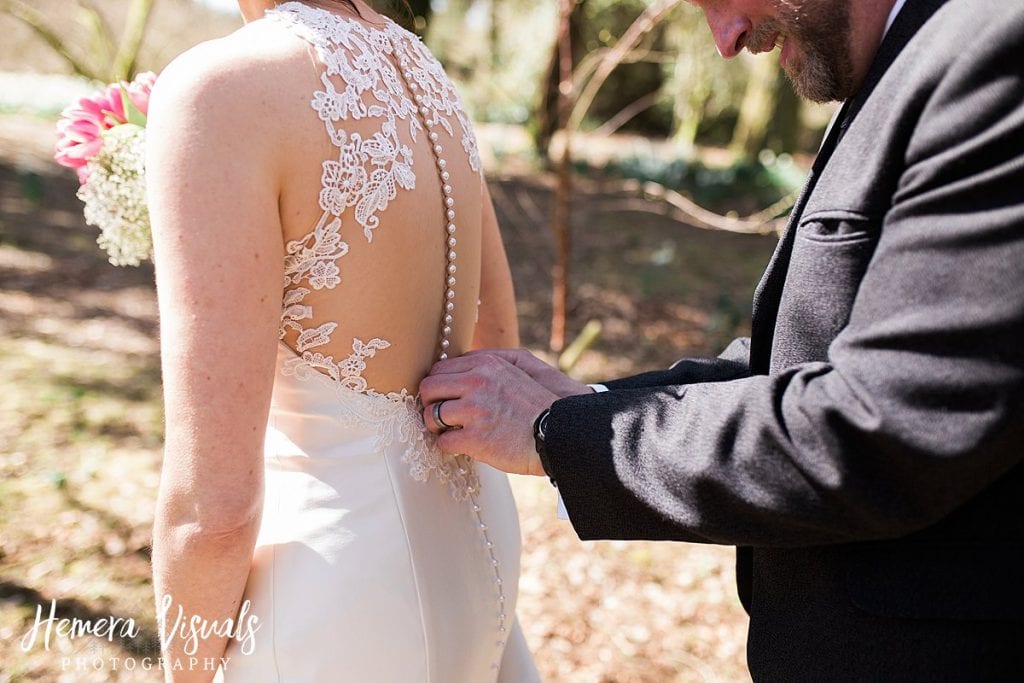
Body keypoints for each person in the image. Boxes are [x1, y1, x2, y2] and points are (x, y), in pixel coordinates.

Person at [421, 0, 1024, 679]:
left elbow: (882, 424)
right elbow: (797, 366)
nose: (727, 40)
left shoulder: (992, 50)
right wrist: (584, 405)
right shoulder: (894, 63)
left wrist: (562, 437)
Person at [147, 1, 539, 680]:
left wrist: (184, 669)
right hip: (479, 550)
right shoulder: (423, 70)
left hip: (338, 590)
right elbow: (497, 342)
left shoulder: (220, 92)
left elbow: (214, 514)